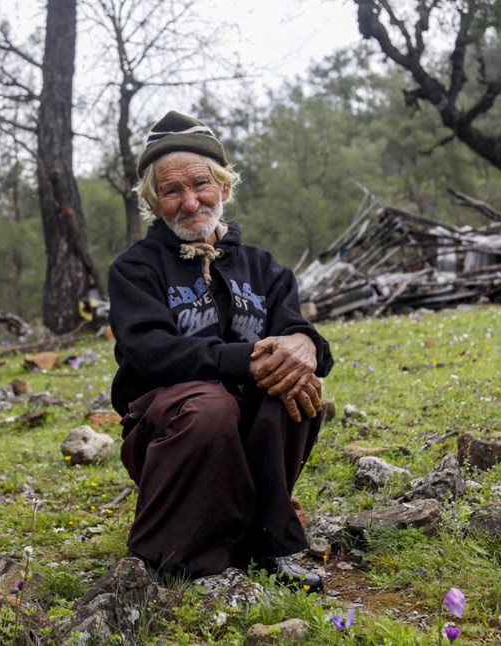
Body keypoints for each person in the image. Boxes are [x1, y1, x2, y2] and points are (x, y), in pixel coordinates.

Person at [108, 110, 334, 592]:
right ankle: (176, 554)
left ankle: (270, 541)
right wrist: (243, 361)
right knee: (213, 405)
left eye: (201, 184)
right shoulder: (135, 270)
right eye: (171, 191)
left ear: (225, 188)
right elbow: (149, 352)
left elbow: (298, 331)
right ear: (153, 201)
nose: (190, 202)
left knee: (293, 385)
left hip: (246, 425)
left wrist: (305, 346)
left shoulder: (264, 268)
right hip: (172, 427)